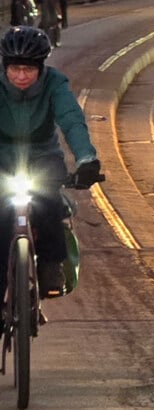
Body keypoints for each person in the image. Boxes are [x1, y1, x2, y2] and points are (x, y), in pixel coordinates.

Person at [0, 26, 101, 299]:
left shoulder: (55, 83)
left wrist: (86, 159)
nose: (22, 76)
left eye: (29, 70)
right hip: (3, 158)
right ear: (5, 67)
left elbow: (71, 119)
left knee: (49, 205)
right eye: (15, 69)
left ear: (41, 68)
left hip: (43, 156)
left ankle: (50, 266)